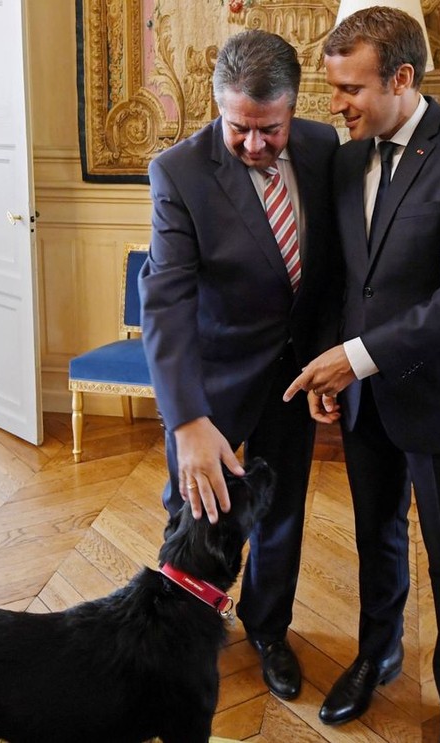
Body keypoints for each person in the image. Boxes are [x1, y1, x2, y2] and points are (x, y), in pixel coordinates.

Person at [283, 8, 440, 742]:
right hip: (365, 400)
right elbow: (346, 284)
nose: (336, 104)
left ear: (402, 78)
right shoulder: (347, 159)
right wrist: (332, 370)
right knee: (375, 536)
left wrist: (355, 358)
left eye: (350, 88)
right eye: (333, 87)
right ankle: (376, 653)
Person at [139, 29, 339, 703]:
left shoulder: (323, 147)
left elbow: (335, 265)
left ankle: (269, 629)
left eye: (269, 129)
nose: (255, 145)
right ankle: (177, 639)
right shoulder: (179, 171)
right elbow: (164, 301)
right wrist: (187, 418)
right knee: (193, 513)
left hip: (296, 374)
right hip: (213, 381)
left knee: (280, 511)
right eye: (239, 128)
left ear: (293, 109)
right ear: (218, 106)